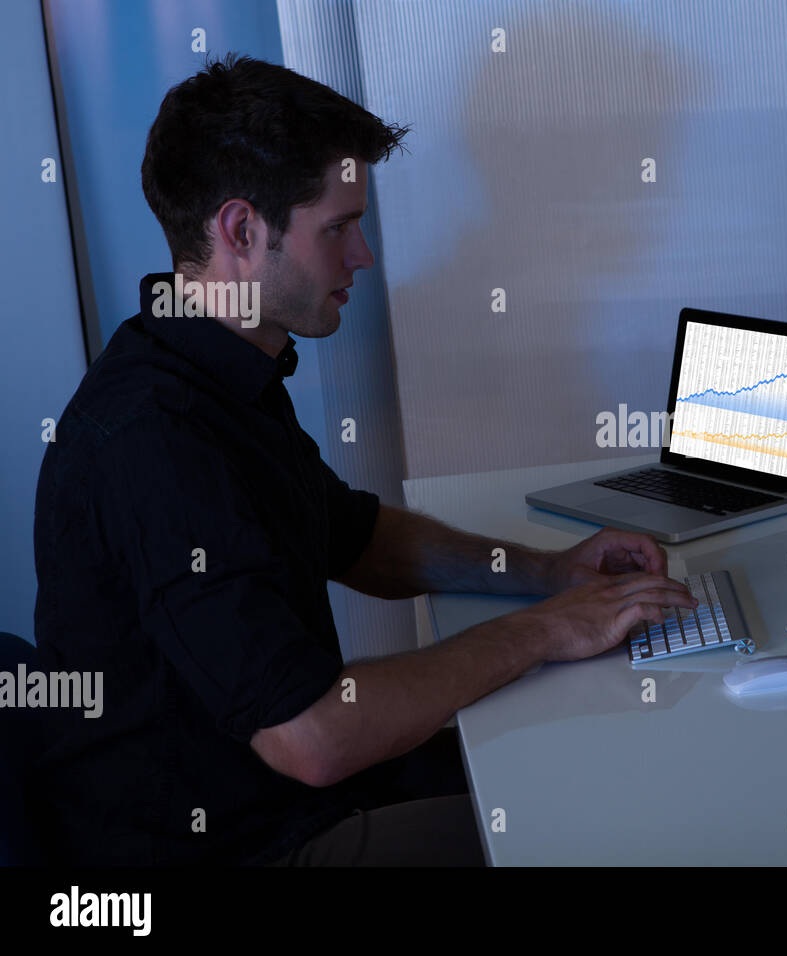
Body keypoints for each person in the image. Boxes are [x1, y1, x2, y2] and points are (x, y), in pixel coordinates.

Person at [31, 53, 696, 866]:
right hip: (241, 845)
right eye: (339, 227)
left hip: (288, 796)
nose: (364, 257)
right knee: (631, 840)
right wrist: (548, 632)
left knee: (600, 761)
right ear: (243, 231)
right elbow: (311, 736)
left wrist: (550, 576)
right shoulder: (153, 439)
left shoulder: (219, 363)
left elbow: (352, 536)